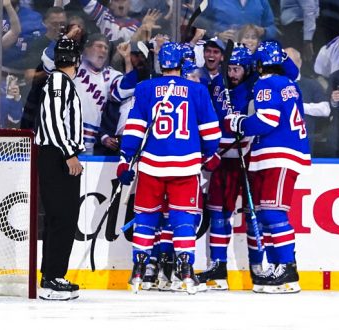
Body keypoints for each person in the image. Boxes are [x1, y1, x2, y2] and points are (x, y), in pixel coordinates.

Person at [118, 42, 220, 294]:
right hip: (185, 166)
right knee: (183, 218)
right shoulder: (197, 90)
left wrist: (124, 160)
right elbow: (211, 132)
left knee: (146, 217)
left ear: (160, 63)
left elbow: (134, 128)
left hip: (152, 165)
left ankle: (139, 271)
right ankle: (185, 270)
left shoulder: (145, 88)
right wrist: (209, 154)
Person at [224, 40, 311, 294]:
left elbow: (266, 121)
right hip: (276, 154)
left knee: (273, 213)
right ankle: (277, 266)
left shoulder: (266, 84)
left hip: (278, 154)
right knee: (264, 213)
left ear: (260, 64)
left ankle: (287, 269)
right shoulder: (290, 84)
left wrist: (239, 123)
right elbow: (291, 71)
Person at [198, 43, 264, 291]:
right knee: (218, 213)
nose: (233, 74)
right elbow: (208, 120)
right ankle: (218, 267)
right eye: (231, 68)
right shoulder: (216, 86)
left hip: (248, 158)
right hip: (222, 159)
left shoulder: (255, 86)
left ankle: (257, 268)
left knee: (252, 212)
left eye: (238, 69)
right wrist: (210, 150)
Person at [35, 36, 84, 301]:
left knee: (60, 219)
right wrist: (69, 154)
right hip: (58, 156)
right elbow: (54, 121)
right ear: (76, 60)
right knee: (62, 218)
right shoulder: (58, 81)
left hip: (57, 154)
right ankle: (54, 277)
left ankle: (51, 275)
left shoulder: (60, 82)